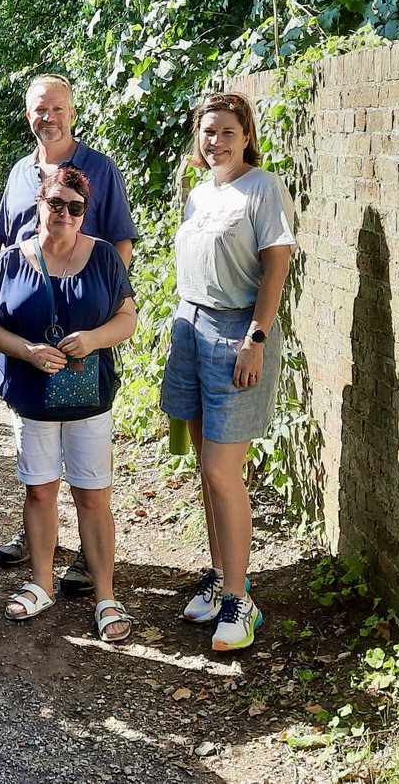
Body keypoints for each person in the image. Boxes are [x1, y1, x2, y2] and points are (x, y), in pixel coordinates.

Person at [0, 73, 138, 594]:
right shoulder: (17, 174)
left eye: (56, 107)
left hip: (83, 341)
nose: (47, 116)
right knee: (37, 462)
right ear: (27, 114)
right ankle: (40, 551)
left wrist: (95, 314)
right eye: (38, 108)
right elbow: (10, 249)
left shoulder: (98, 168)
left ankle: (83, 561)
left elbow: (117, 244)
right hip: (32, 343)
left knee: (88, 467)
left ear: (72, 112)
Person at [0, 167, 137, 642]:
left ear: (84, 212)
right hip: (31, 397)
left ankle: (106, 595)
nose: (64, 214)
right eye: (56, 204)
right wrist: (26, 351)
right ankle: (41, 583)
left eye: (75, 207)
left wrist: (93, 338)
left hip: (90, 397)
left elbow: (127, 317)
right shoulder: (10, 260)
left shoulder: (104, 257)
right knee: (40, 491)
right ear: (38, 205)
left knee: (92, 495)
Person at [161, 92, 297, 652]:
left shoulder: (261, 187)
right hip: (189, 328)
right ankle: (219, 578)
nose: (216, 141)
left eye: (227, 132)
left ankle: (242, 600)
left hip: (237, 332)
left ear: (246, 136)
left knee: (222, 470)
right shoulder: (197, 193)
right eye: (207, 132)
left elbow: (277, 265)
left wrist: (256, 338)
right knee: (203, 467)